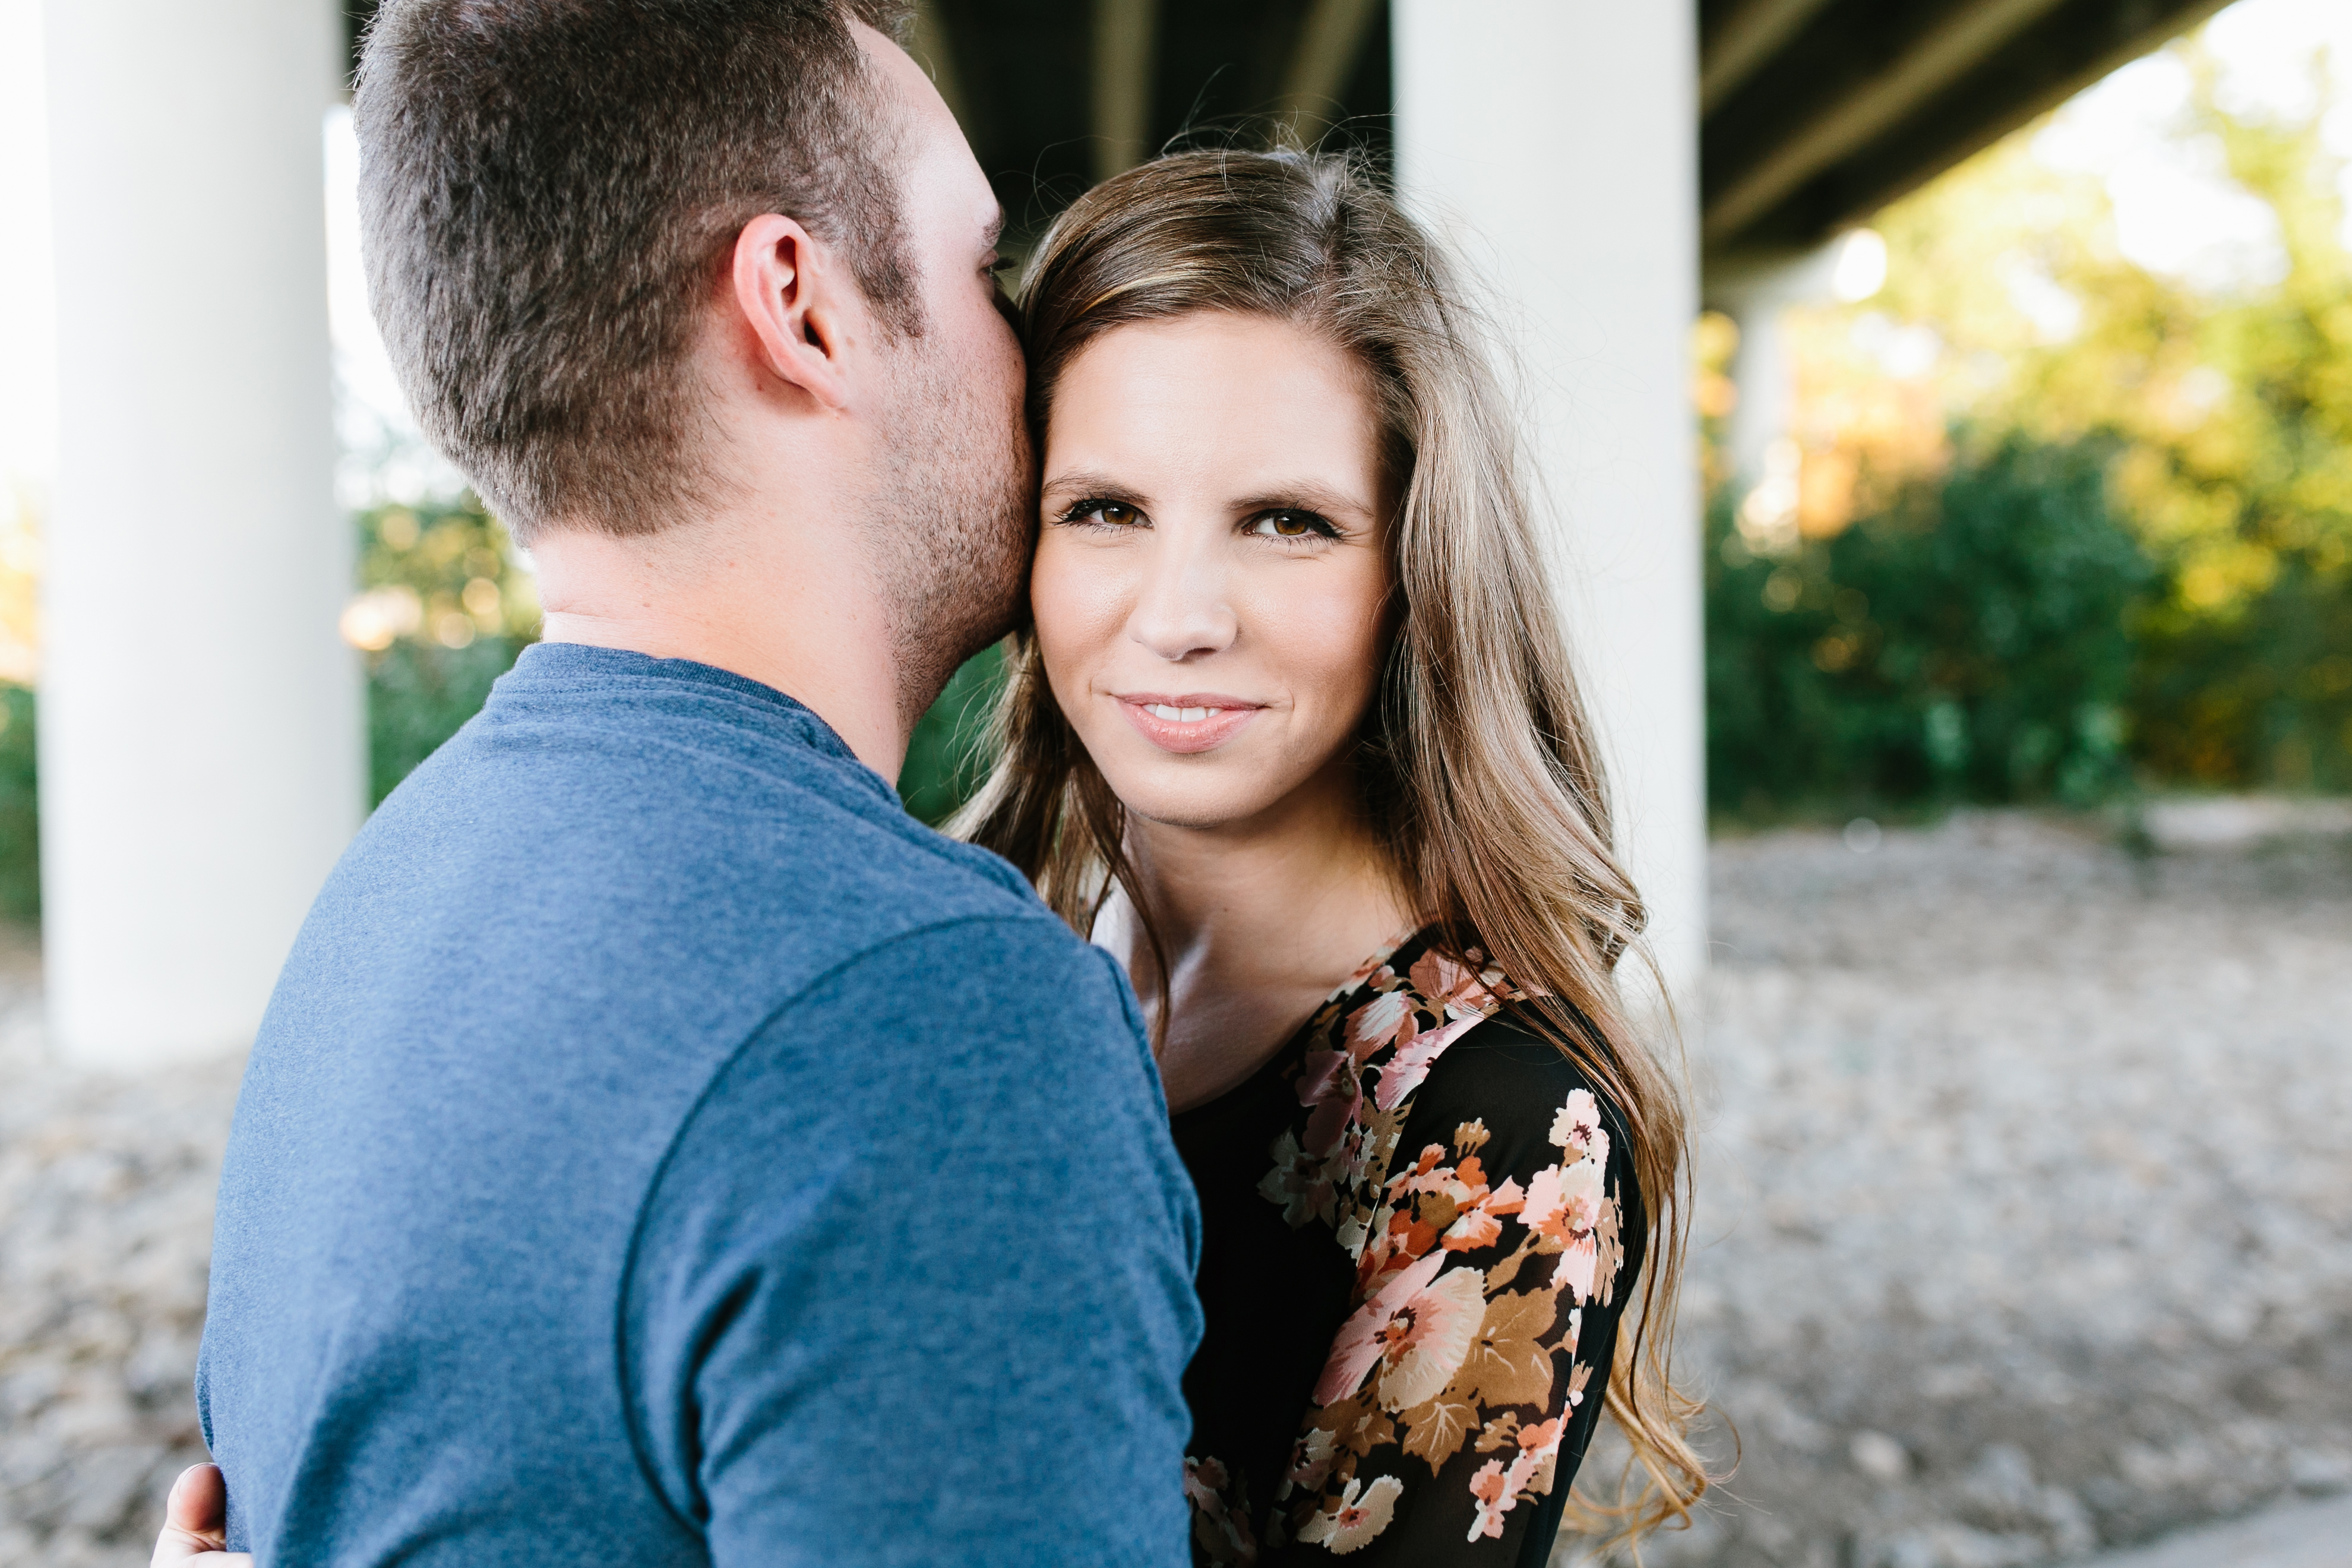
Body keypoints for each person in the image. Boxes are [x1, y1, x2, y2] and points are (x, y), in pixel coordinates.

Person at [169, 1, 1202, 1564]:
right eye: (980, 268)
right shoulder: (928, 1019)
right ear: (800, 304)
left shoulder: (383, 904)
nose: (1031, 357)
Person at [950, 148, 1708, 1563]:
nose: (1181, 616)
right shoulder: (980, 935)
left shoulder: (1504, 1127)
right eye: (1106, 509)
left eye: (1287, 523)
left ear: (1414, 572)